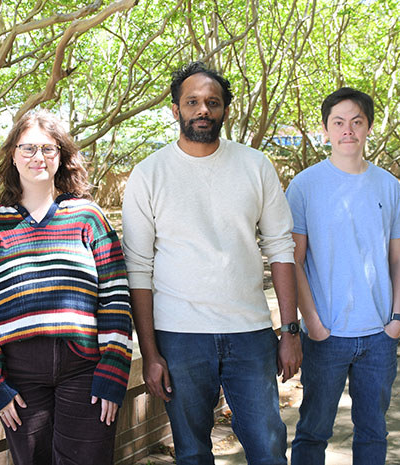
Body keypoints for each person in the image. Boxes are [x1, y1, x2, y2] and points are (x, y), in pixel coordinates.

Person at [122, 61, 302, 465]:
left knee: (269, 447)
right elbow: (138, 268)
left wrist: (290, 331)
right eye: (192, 102)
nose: (202, 109)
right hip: (180, 336)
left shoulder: (256, 166)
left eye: (212, 102)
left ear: (224, 110)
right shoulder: (148, 174)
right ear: (176, 110)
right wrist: (150, 353)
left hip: (250, 333)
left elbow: (280, 249)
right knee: (191, 452)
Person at [0, 110, 132, 465]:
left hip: (85, 370)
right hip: (20, 375)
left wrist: (113, 371)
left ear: (62, 155)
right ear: (13, 154)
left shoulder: (89, 217)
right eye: (28, 148)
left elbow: (116, 296)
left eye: (47, 148)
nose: (37, 157)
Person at [286, 87, 400, 465]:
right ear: (325, 130)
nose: (348, 130)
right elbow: (294, 259)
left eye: (356, 122)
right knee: (313, 431)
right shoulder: (304, 186)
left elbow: (397, 258)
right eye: (338, 122)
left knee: (374, 431)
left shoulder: (389, 186)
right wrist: (313, 322)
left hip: (379, 335)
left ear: (368, 128)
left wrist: (397, 319)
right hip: (325, 335)